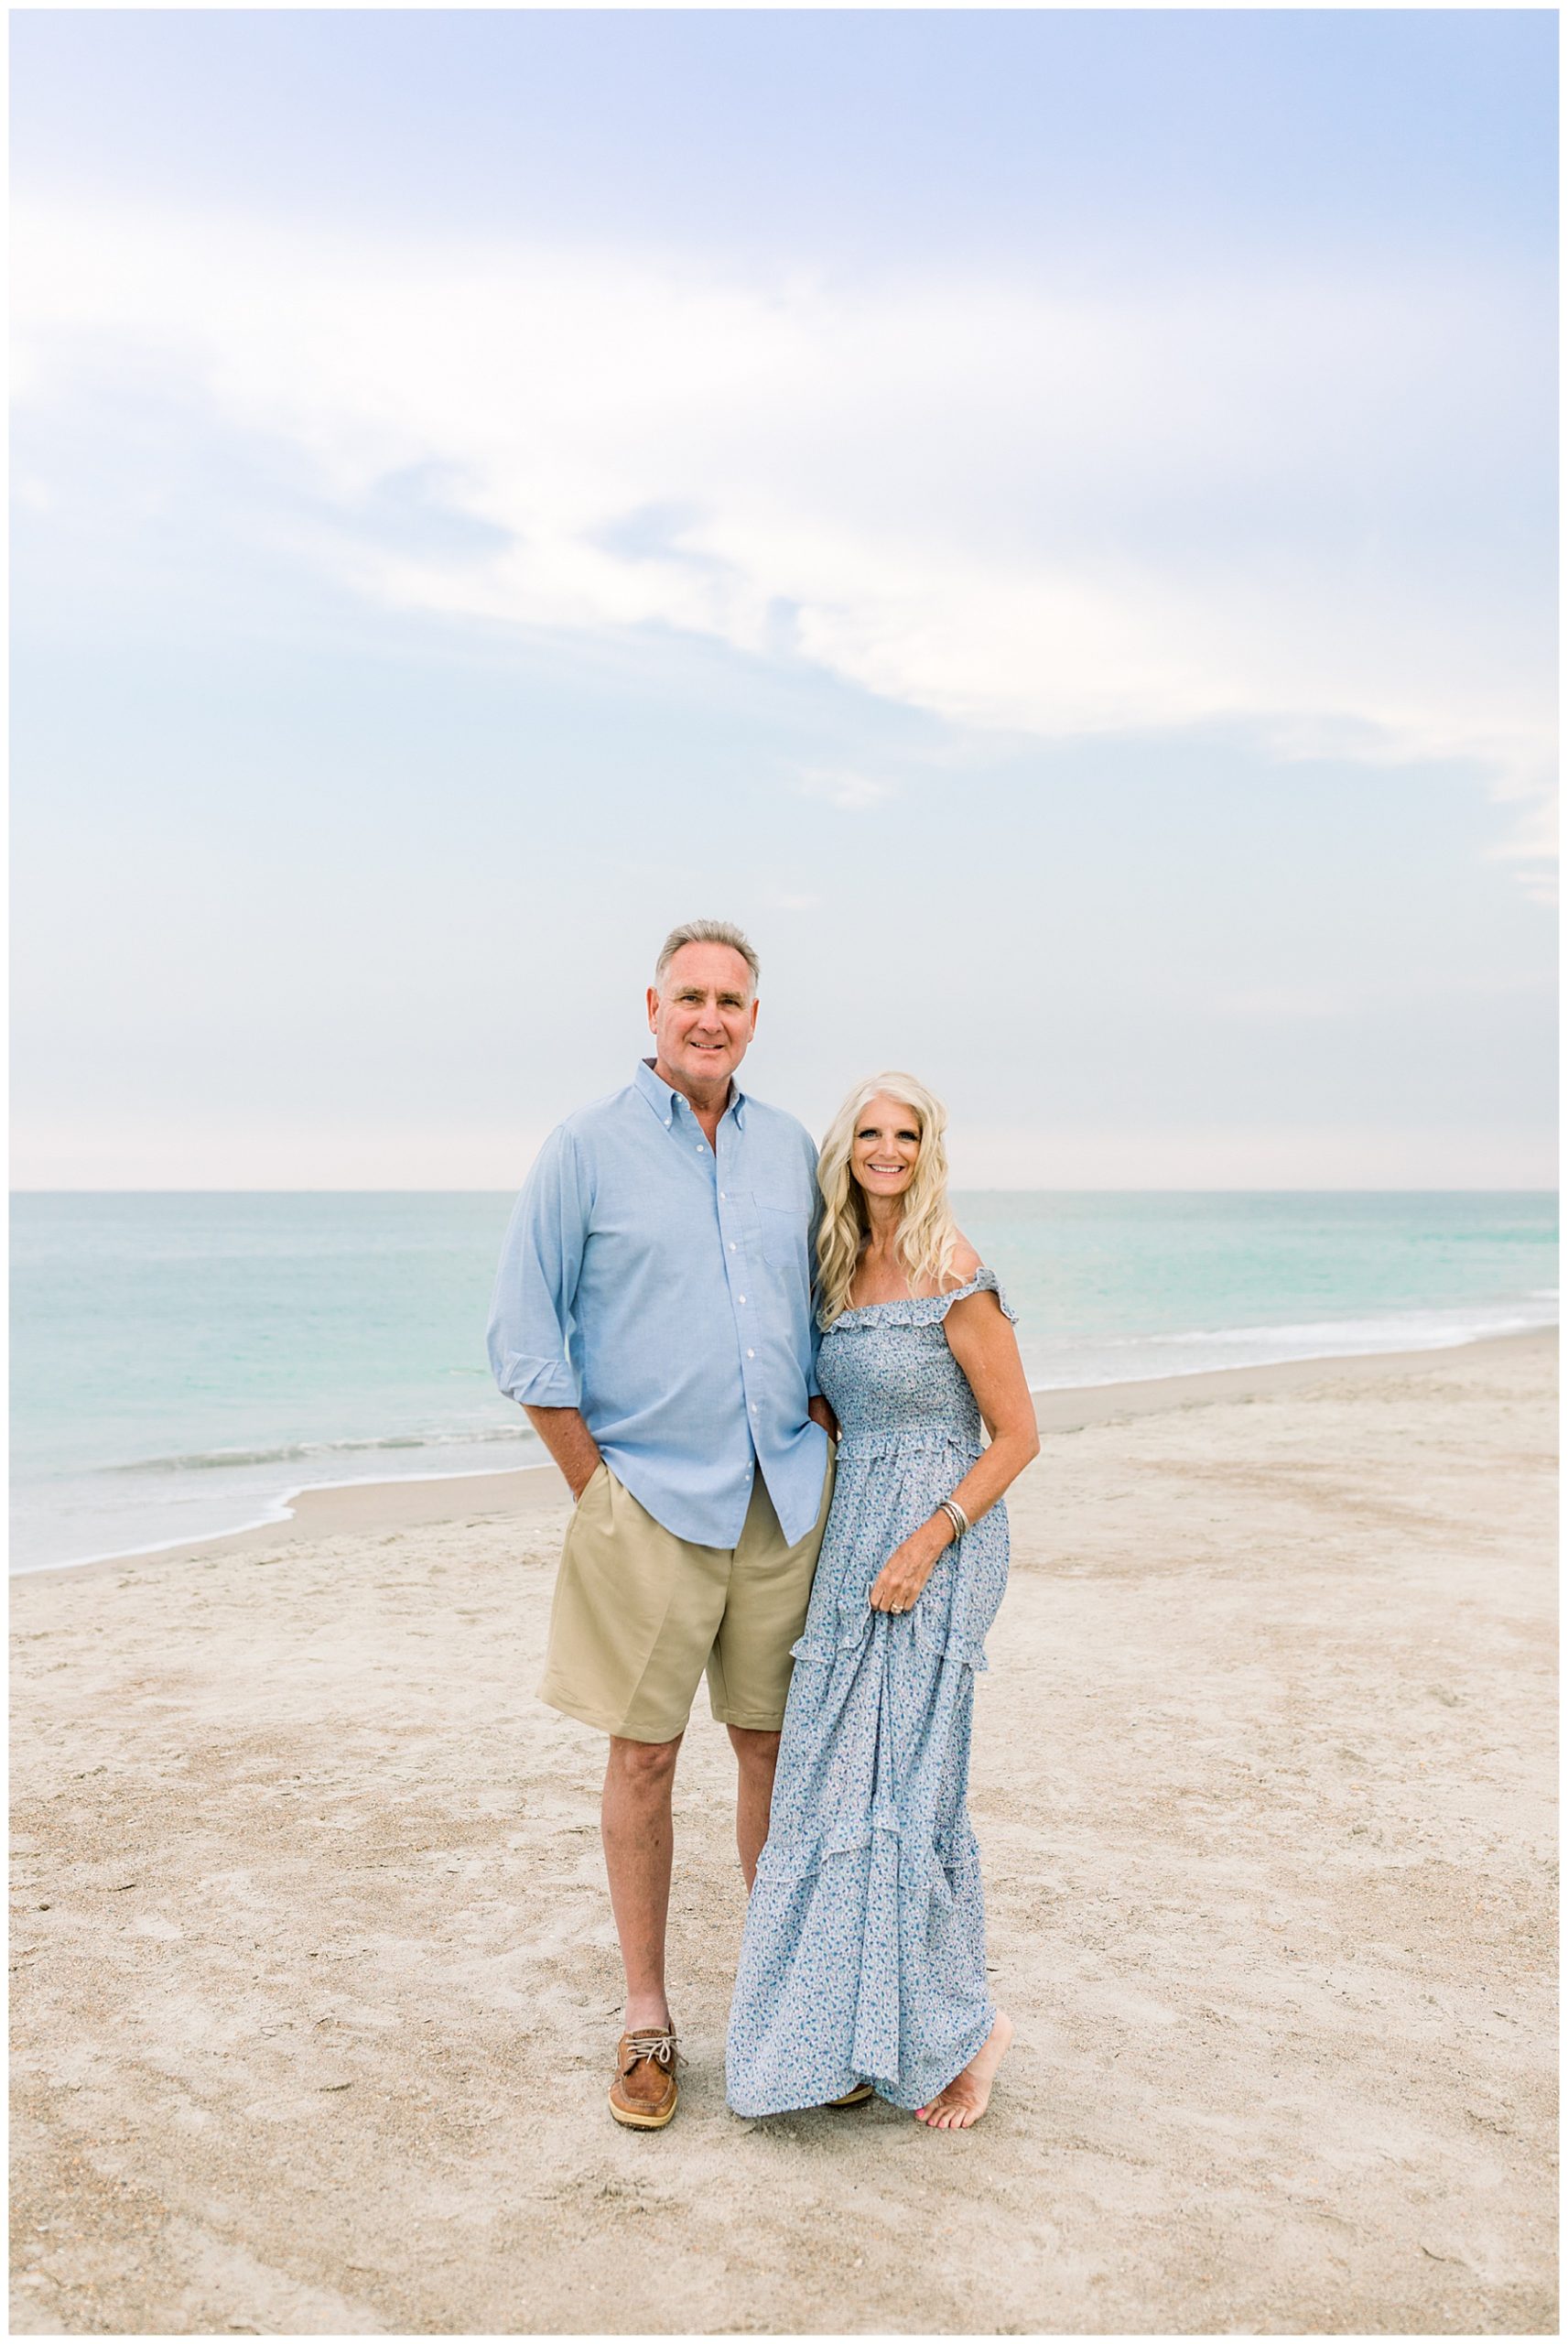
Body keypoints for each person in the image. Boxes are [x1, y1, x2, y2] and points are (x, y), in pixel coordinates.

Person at [487, 919, 833, 2132]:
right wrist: (597, 1489)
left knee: (772, 1752)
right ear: (652, 1008)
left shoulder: (791, 1149)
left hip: (780, 1503)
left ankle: (783, 2012)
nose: (710, 1018)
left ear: (754, 1019)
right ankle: (647, 2018)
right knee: (643, 1756)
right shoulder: (583, 1148)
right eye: (690, 997)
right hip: (646, 1505)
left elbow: (828, 1303)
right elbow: (523, 1335)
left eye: (731, 1001)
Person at [726, 1073, 1039, 2129]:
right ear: (845, 1148)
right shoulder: (834, 1268)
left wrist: (929, 1538)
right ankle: (849, 2034)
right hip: (853, 1536)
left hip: (941, 1543)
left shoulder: (954, 1267)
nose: (888, 1149)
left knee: (907, 1787)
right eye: (870, 1131)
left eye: (907, 1133)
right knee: (827, 1783)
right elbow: (823, 1405)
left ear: (928, 1148)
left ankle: (972, 2031)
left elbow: (1017, 1436)